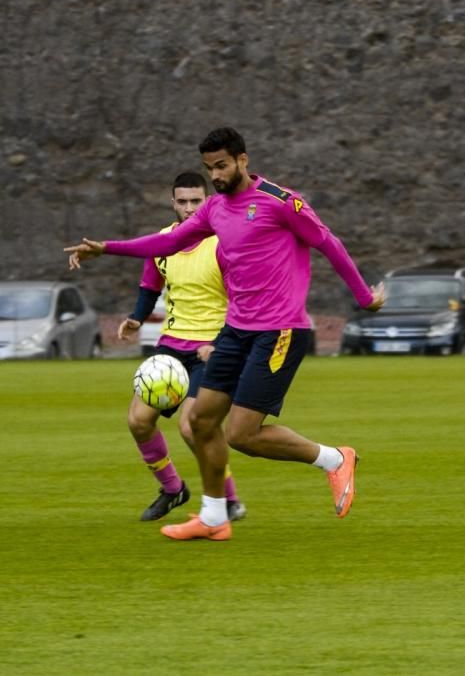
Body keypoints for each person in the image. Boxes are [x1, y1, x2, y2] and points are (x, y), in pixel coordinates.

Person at [65, 127, 385, 542]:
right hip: (236, 329)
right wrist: (106, 247)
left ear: (242, 160)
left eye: (221, 165)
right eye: (209, 168)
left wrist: (363, 298)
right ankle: (214, 517)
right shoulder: (214, 210)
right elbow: (169, 242)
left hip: (280, 330)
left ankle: (333, 458)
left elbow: (329, 243)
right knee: (199, 421)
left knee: (242, 435)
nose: (215, 175)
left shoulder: (280, 201)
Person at [118, 171, 246, 522]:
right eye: (183, 201)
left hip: (213, 349)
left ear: (209, 201)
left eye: (196, 201)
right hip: (170, 348)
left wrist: (220, 343)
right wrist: (136, 318)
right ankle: (173, 490)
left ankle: (229, 501)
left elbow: (241, 300)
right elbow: (150, 286)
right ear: (173, 203)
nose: (189, 208)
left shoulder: (224, 243)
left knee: (192, 427)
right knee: (138, 421)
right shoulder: (162, 242)